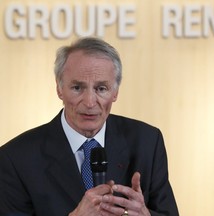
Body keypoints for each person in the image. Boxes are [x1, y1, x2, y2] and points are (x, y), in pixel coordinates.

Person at [0, 37, 179, 216]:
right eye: (78, 88)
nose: (90, 102)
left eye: (101, 89)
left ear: (115, 92)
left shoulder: (147, 142)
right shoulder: (15, 159)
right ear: (59, 89)